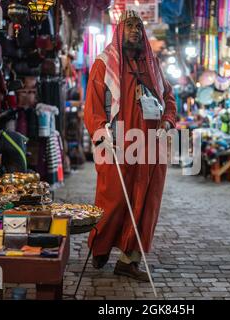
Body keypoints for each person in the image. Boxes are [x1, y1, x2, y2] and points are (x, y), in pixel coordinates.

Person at [83, 10, 177, 282]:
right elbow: (93, 107)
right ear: (119, 30)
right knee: (112, 199)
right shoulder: (104, 64)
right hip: (117, 144)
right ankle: (99, 247)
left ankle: (129, 259)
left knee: (145, 203)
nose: (135, 29)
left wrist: (168, 122)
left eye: (138, 25)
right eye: (129, 25)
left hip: (151, 147)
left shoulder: (153, 65)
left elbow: (169, 99)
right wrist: (101, 134)